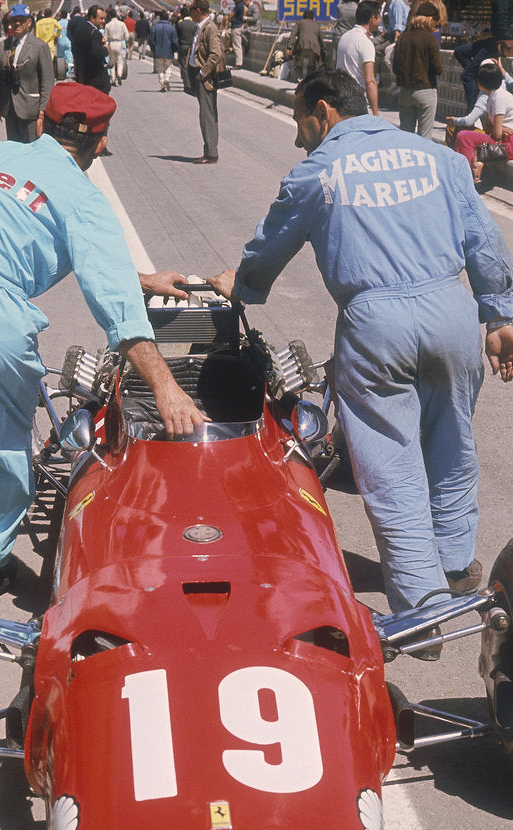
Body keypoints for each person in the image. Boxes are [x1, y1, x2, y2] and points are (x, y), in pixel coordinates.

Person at [0, 82, 205, 604]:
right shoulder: (81, 197)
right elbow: (120, 314)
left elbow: (6, 233)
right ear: (100, 141)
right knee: (6, 448)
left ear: (43, 125)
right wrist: (166, 388)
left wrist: (137, 276)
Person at [207, 70, 513, 619]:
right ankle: (455, 563)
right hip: (452, 312)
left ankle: (422, 609)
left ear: (321, 111)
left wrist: (245, 283)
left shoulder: (318, 172)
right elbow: (485, 242)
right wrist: (498, 315)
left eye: (302, 123)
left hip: (377, 326)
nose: (299, 137)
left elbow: (271, 244)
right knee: (453, 444)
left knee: (390, 463)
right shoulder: (438, 157)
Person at [0, 4, 54, 143]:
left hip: (31, 110)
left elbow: (48, 81)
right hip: (9, 109)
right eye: (14, 20)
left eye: (22, 20)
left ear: (29, 22)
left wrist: (42, 112)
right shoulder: (2, 46)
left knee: (31, 151)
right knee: (14, 151)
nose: (17, 23)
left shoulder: (39, 46)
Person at [454, 62, 513, 183]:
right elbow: (489, 129)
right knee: (463, 134)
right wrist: (500, 129)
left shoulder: (499, 98)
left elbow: (495, 134)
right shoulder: (491, 96)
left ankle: (466, 176)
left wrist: (498, 129)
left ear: (480, 82)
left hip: (509, 144)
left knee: (465, 136)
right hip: (502, 140)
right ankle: (463, 173)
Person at [392, 2, 442, 138]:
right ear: (429, 20)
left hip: (405, 92)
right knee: (424, 138)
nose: (435, 26)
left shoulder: (402, 38)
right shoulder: (430, 40)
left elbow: (395, 65)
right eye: (435, 22)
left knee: (405, 136)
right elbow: (438, 69)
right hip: (425, 91)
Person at [187, 0, 225, 163]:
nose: (189, 14)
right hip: (199, 75)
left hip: (205, 78)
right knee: (206, 114)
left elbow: (216, 54)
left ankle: (211, 154)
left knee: (207, 115)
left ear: (197, 10)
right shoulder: (201, 26)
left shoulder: (210, 27)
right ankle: (209, 151)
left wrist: (203, 72)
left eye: (191, 10)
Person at [336, 0, 381, 116]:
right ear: (372, 19)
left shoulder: (345, 37)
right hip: (356, 102)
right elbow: (370, 80)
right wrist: (375, 113)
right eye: (378, 17)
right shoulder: (365, 43)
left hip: (340, 97)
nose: (380, 21)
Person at [71, 5, 110, 94]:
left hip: (81, 76)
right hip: (95, 79)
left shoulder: (79, 30)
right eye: (101, 18)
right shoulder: (95, 33)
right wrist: (105, 49)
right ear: (92, 18)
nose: (103, 21)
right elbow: (96, 53)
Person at [287, 10, 326, 81]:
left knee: (296, 62)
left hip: (301, 49)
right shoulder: (317, 25)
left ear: (303, 17)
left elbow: (292, 36)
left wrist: (289, 48)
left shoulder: (299, 23)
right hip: (314, 50)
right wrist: (323, 57)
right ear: (313, 18)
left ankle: (299, 76)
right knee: (313, 69)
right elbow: (322, 42)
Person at [149, 10, 178, 92]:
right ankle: (167, 78)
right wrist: (174, 50)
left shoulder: (154, 27)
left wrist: (153, 49)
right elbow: (174, 41)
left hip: (158, 51)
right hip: (169, 51)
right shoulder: (172, 28)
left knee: (160, 68)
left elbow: (151, 41)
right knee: (169, 66)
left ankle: (162, 84)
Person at [104, 11, 129, 87]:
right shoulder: (122, 24)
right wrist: (122, 39)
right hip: (119, 42)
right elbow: (127, 35)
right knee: (120, 61)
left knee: (111, 62)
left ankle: (113, 79)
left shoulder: (108, 25)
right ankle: (119, 73)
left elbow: (105, 37)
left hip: (111, 43)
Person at [176, 6, 198, 91]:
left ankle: (187, 85)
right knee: (191, 65)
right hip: (191, 47)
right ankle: (192, 84)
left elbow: (177, 36)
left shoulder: (180, 24)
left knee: (183, 66)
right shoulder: (194, 25)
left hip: (182, 46)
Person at [332, 0, 358, 64]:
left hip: (338, 35)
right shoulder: (357, 9)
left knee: (336, 59)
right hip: (350, 38)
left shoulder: (340, 7)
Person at [229, 0, 244, 68]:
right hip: (238, 26)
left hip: (236, 27)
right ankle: (238, 63)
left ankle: (238, 64)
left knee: (237, 46)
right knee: (237, 45)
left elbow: (231, 15)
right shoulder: (241, 5)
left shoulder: (238, 6)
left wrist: (229, 19)